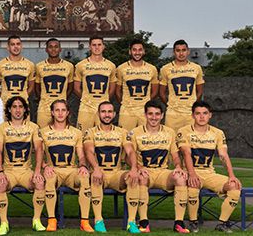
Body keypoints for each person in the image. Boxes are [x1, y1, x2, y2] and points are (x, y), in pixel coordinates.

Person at [177, 101, 241, 233]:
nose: (201, 117)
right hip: (190, 172)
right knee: (193, 185)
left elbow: (223, 155)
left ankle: (222, 223)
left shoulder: (217, 133)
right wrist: (192, 174)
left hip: (209, 173)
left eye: (205, 113)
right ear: (192, 116)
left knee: (235, 187)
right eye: (198, 113)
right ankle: (193, 222)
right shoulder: (184, 131)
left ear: (210, 115)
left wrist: (232, 176)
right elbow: (186, 153)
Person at [128, 100, 189, 233]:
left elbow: (175, 154)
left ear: (162, 116)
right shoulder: (135, 132)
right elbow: (128, 157)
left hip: (162, 173)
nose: (154, 117)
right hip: (145, 172)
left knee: (180, 178)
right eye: (150, 114)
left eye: (157, 114)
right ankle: (144, 222)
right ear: (145, 115)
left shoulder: (170, 132)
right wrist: (138, 167)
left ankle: (179, 223)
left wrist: (178, 166)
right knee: (141, 177)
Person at [83, 101, 140, 233]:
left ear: (114, 114)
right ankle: (98, 221)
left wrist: (133, 169)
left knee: (132, 178)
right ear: (98, 114)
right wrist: (96, 168)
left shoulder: (122, 132)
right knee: (95, 178)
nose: (106, 115)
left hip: (116, 174)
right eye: (103, 112)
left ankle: (131, 222)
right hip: (99, 173)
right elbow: (89, 152)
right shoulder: (90, 132)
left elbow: (131, 151)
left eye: (109, 112)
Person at [0, 96, 45, 234]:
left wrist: (38, 171)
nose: (17, 110)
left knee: (39, 182)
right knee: (1, 184)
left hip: (26, 171)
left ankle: (36, 220)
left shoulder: (33, 127)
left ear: (25, 109)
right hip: (8, 170)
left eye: (20, 107)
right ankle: (4, 223)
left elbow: (39, 149)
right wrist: (0, 172)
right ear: (9, 109)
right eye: (14, 107)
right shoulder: (2, 128)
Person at [39, 99, 92, 232]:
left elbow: (81, 156)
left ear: (68, 112)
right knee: (49, 179)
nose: (60, 113)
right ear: (52, 112)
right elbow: (39, 156)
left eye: (63, 110)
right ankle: (52, 220)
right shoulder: (43, 132)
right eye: (57, 110)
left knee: (85, 178)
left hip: (71, 171)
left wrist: (83, 166)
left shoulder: (76, 132)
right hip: (53, 170)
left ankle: (84, 221)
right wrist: (45, 166)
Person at [73, 36, 117, 131]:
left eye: (99, 45)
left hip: (103, 108)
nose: (97, 47)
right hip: (86, 107)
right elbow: (76, 88)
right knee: (83, 137)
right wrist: (86, 99)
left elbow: (112, 88)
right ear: (89, 47)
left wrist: (105, 100)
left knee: (103, 138)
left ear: (103, 46)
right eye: (94, 45)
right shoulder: (81, 65)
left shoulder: (111, 66)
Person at [159, 40, 205, 131]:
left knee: (191, 142)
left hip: (190, 113)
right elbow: (161, 93)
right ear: (173, 52)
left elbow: (200, 91)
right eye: (178, 50)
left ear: (188, 51)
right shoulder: (165, 68)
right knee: (172, 142)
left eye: (183, 50)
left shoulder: (196, 68)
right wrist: (170, 105)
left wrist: (193, 104)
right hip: (173, 114)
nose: (181, 53)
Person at [115, 40, 158, 131]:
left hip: (144, 111)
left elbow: (155, 91)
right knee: (125, 139)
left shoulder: (152, 69)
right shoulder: (121, 68)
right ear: (130, 51)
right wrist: (124, 103)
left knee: (145, 139)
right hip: (127, 111)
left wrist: (146, 103)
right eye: (134, 50)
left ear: (144, 51)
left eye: (140, 50)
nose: (137, 53)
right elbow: (117, 91)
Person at [35, 38, 75, 127]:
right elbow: (37, 87)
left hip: (61, 108)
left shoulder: (69, 66)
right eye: (50, 47)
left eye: (56, 47)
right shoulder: (39, 66)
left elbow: (71, 87)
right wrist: (43, 99)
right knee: (42, 135)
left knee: (61, 135)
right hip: (44, 108)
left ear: (60, 49)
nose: (53, 49)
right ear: (46, 49)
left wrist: (62, 98)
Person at [0, 35, 35, 104]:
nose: (16, 47)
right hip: (5, 105)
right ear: (8, 47)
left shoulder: (30, 65)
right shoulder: (0, 65)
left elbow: (31, 86)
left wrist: (24, 96)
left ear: (21, 46)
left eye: (18, 44)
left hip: (23, 106)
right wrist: (3, 98)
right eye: (12, 44)